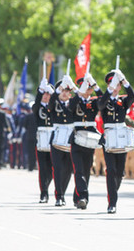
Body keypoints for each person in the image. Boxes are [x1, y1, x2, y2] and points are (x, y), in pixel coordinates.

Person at [98, 68, 134, 214]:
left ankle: (113, 191)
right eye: (112, 84)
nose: (115, 88)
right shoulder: (104, 100)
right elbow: (100, 105)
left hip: (121, 136)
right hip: (108, 136)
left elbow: (132, 96)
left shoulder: (122, 101)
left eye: (117, 85)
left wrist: (125, 81)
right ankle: (112, 202)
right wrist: (108, 90)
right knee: (111, 170)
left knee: (119, 171)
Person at [69, 72, 101, 209]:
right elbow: (70, 107)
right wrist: (78, 93)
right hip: (77, 137)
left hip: (90, 138)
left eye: (89, 87)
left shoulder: (93, 102)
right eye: (85, 87)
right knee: (79, 170)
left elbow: (104, 100)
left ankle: (78, 197)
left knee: (86, 170)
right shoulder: (75, 100)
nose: (87, 90)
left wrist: (96, 85)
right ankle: (83, 197)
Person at [49, 75, 76, 207]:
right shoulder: (55, 104)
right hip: (57, 139)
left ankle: (63, 192)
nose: (65, 93)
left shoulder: (73, 104)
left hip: (70, 138)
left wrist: (74, 87)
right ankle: (59, 195)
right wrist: (57, 91)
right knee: (58, 168)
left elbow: (79, 98)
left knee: (68, 169)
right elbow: (50, 102)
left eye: (67, 91)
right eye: (62, 90)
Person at [32, 80, 55, 203]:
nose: (46, 96)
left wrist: (55, 95)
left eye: (48, 93)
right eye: (44, 93)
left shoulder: (54, 106)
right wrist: (40, 91)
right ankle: (44, 192)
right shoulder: (38, 106)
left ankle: (47, 185)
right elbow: (35, 106)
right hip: (41, 139)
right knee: (43, 168)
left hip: (53, 138)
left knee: (52, 168)